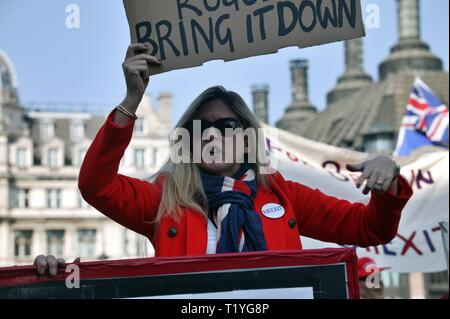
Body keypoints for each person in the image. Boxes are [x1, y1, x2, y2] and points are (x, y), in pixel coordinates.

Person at [34, 43, 413, 276]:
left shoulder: (282, 194)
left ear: (247, 136)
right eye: (201, 128)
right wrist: (131, 100)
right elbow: (95, 185)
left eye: (226, 125)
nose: (213, 134)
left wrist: (389, 181)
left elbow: (371, 229)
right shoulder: (167, 199)